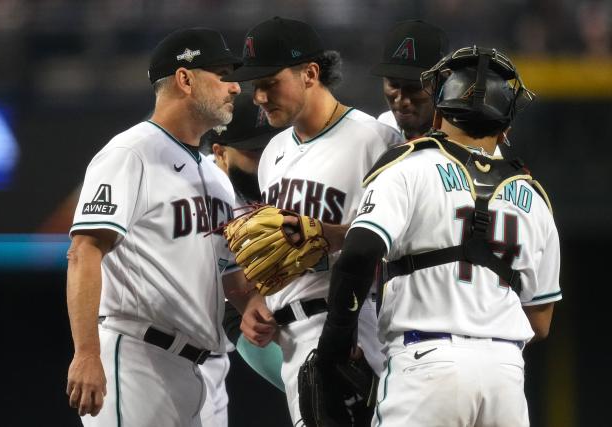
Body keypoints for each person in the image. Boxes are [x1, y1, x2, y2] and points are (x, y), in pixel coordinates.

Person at [315, 46, 562, 426]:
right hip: (505, 377)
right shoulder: (534, 198)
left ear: (441, 108)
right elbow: (540, 322)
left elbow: (359, 253)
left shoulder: (409, 167)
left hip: (426, 363)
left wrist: (334, 348)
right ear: (506, 126)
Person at [221, 16, 404, 424]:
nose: (260, 96)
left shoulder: (374, 140)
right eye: (256, 86)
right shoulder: (273, 154)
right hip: (289, 341)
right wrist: (255, 302)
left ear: (310, 73)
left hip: (355, 327)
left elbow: (402, 239)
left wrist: (327, 235)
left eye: (270, 82)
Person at [65, 27, 244, 427]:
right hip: (138, 359)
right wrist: (87, 353)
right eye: (222, 74)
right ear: (185, 78)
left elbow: (229, 277)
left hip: (209, 370)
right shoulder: (130, 153)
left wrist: (259, 308)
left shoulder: (217, 178)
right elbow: (84, 250)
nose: (235, 87)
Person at [198, 93, 285, 427]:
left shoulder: (286, 172)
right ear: (219, 152)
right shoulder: (201, 188)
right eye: (253, 152)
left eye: (269, 148)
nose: (264, 160)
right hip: (233, 313)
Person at [371, 20, 449, 138]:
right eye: (393, 85)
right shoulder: (383, 127)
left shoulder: (464, 139)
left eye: (414, 88)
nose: (400, 100)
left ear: (442, 84)